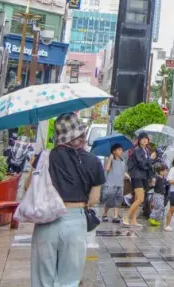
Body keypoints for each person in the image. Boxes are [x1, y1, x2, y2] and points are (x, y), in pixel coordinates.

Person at [29, 112, 105, 287]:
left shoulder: (44, 157)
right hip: (75, 221)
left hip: (46, 218)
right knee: (69, 280)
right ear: (82, 135)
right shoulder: (93, 161)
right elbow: (94, 199)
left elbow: (29, 189)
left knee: (42, 280)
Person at [124, 133, 153, 227]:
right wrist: (150, 159)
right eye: (143, 139)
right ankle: (126, 217)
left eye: (146, 139)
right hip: (137, 177)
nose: (145, 140)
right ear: (139, 140)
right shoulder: (137, 150)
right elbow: (142, 164)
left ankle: (134, 220)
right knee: (140, 199)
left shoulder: (146, 150)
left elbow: (147, 165)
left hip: (142, 177)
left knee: (137, 199)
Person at [102, 144, 126, 223]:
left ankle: (115, 216)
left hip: (120, 184)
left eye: (121, 149)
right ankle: (105, 214)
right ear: (113, 151)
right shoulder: (111, 159)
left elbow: (122, 171)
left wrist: (127, 176)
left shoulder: (122, 160)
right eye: (119, 149)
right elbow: (107, 168)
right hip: (111, 184)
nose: (121, 151)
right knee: (109, 200)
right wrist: (110, 158)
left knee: (118, 201)